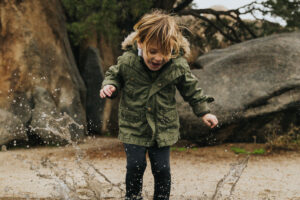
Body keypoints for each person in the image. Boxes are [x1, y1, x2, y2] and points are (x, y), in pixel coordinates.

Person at [100, 10, 218, 200]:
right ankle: (133, 197)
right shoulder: (128, 61)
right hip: (134, 126)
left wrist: (204, 112)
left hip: (163, 127)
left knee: (162, 169)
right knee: (135, 166)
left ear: (173, 48)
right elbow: (114, 75)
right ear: (140, 43)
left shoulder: (177, 66)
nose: (158, 58)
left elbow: (192, 89)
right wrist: (110, 86)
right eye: (153, 51)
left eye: (165, 52)